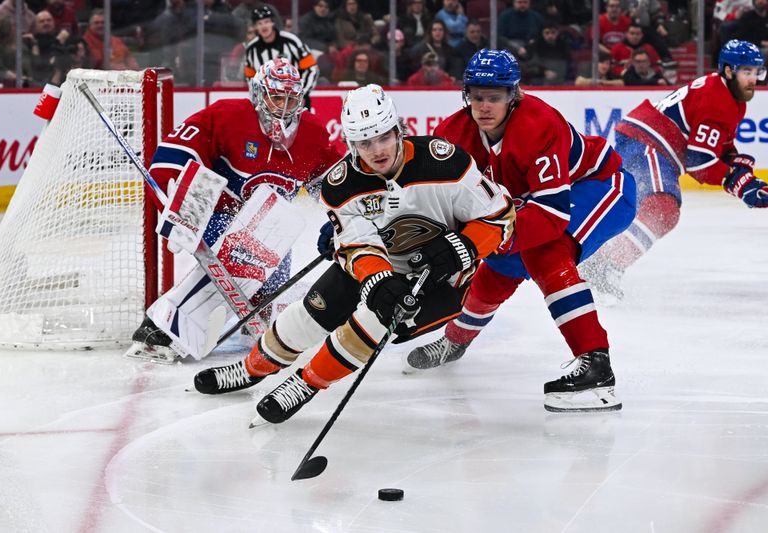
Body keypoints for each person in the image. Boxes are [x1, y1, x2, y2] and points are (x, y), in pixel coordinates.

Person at [192, 84, 516, 426]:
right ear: (351, 143)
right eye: (364, 142)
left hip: (444, 282)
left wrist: (461, 248)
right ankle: (252, 368)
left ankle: (306, 383)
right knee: (310, 313)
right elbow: (357, 244)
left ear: (397, 129)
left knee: (374, 321)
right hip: (383, 265)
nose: (376, 150)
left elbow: (500, 215)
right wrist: (377, 279)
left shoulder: (445, 162)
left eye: (382, 137)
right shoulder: (341, 183)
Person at [406, 49, 637, 413]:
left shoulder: (539, 124)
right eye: (476, 96)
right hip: (522, 207)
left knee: (546, 250)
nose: (484, 106)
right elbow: (435, 200)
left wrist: (477, 239)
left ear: (514, 96)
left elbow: (551, 215)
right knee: (499, 268)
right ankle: (455, 341)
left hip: (599, 187)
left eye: (494, 97)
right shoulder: (452, 134)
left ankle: (597, 367)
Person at [127, 58, 344, 363]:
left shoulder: (313, 134)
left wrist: (348, 214)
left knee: (273, 274)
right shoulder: (229, 115)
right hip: (218, 221)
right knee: (251, 244)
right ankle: (165, 325)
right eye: (276, 97)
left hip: (272, 235)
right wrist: (182, 207)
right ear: (259, 94)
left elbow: (335, 181)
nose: (283, 107)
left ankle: (256, 316)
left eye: (290, 99)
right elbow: (176, 153)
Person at [581, 40, 768, 300]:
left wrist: (743, 178)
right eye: (746, 72)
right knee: (661, 208)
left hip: (649, 140)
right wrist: (736, 182)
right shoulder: (718, 98)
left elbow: (720, 149)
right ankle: (605, 265)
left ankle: (599, 260)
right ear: (728, 71)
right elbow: (698, 161)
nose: (753, 79)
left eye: (757, 72)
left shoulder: (730, 97)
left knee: (648, 208)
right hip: (649, 141)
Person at [245, 6, 319, 108]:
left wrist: (303, 92)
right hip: (267, 104)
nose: (263, 26)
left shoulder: (291, 41)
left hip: (295, 100)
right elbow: (251, 79)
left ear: (273, 23)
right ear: (255, 27)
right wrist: (259, 99)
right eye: (259, 23)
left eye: (266, 21)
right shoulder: (251, 49)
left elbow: (311, 68)